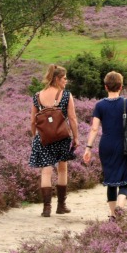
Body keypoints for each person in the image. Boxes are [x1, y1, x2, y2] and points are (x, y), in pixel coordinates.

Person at [83, 71, 127, 222]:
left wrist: (88, 148)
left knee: (111, 180)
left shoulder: (99, 105)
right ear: (121, 86)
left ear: (106, 87)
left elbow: (94, 129)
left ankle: (113, 215)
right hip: (123, 145)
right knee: (125, 179)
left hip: (105, 145)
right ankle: (120, 207)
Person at [29, 64, 79, 217]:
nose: (66, 81)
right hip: (62, 137)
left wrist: (34, 136)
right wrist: (76, 137)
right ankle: (61, 206)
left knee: (46, 171)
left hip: (43, 137)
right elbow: (72, 118)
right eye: (64, 78)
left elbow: (33, 120)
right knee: (62, 170)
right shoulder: (65, 95)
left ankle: (46, 208)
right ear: (57, 79)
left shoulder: (37, 96)